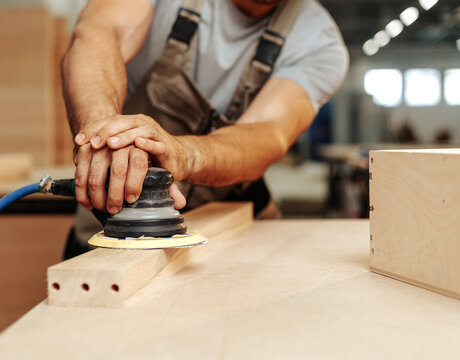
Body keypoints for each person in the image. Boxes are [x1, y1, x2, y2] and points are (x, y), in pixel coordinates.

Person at [61, 0, 349, 258]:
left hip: (226, 227)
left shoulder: (318, 40)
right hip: (113, 222)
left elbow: (268, 132)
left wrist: (183, 153)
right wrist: (102, 133)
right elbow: (98, 33)